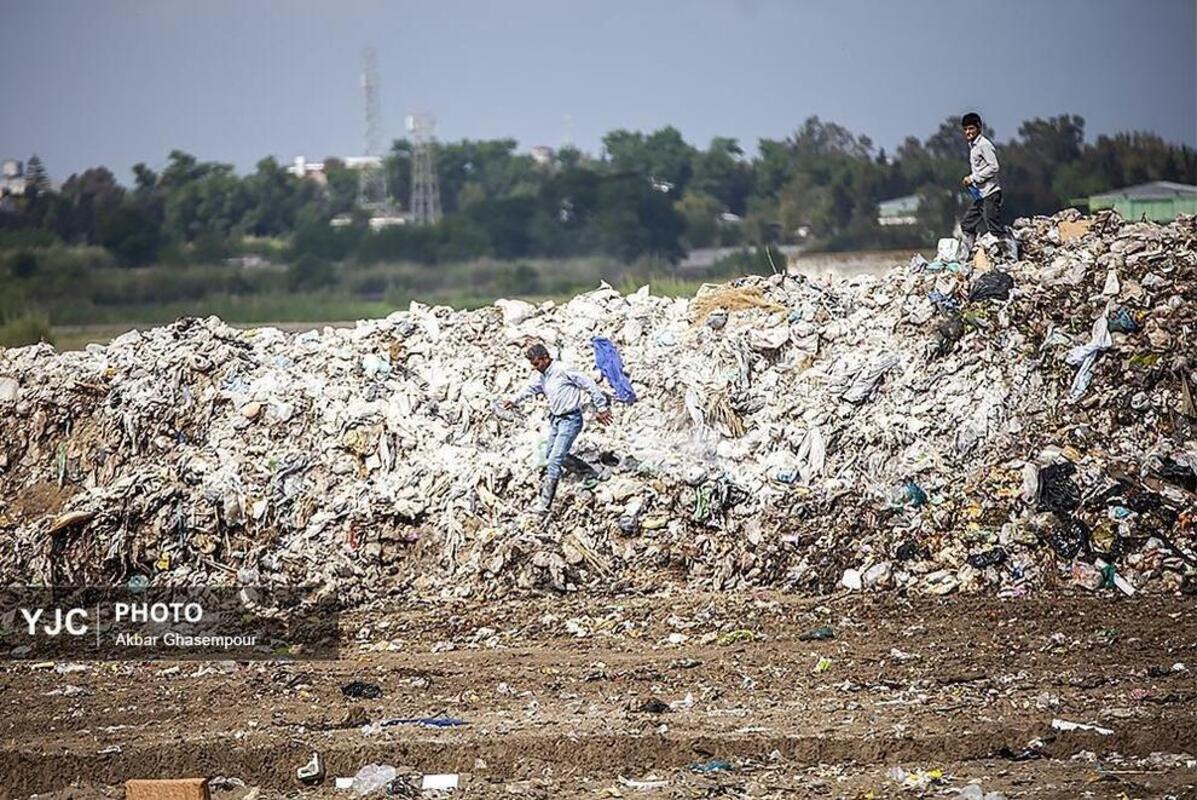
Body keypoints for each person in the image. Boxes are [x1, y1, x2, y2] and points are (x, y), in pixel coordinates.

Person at [502, 343, 612, 516]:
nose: (535, 368)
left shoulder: (563, 369)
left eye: (537, 363)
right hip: (556, 420)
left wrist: (601, 407)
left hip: (571, 420)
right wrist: (514, 400)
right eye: (533, 365)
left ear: (546, 358)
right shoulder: (543, 376)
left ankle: (544, 506)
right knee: (550, 453)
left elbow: (589, 384)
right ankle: (587, 471)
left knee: (554, 460)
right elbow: (531, 388)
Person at [959, 112, 1002, 250]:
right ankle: (969, 254)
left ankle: (1008, 253)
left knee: (993, 227)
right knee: (967, 224)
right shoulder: (973, 147)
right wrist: (970, 179)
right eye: (965, 129)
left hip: (991, 193)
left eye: (971, 128)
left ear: (979, 128)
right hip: (981, 195)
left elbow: (994, 167)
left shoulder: (984, 145)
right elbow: (980, 169)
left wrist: (973, 178)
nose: (968, 132)